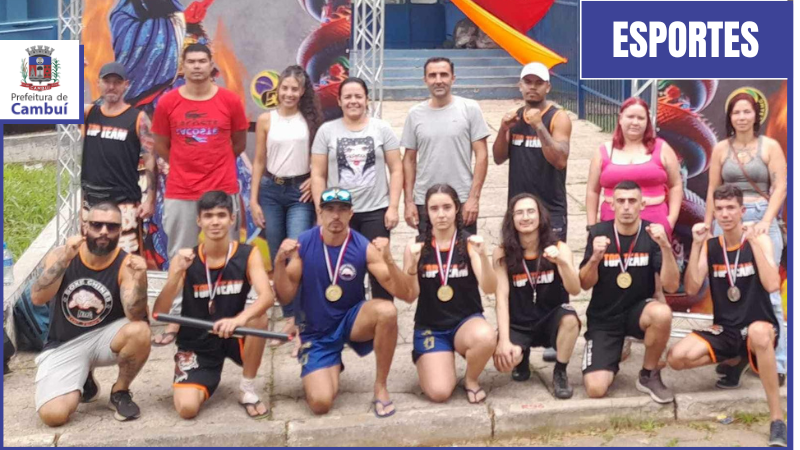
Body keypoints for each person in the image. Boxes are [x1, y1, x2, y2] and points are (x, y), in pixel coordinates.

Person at [272, 187, 415, 417]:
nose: (336, 216)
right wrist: (279, 262)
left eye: (342, 210)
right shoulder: (304, 244)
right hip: (316, 331)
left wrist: (389, 260)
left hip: (351, 321)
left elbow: (406, 294)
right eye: (329, 210)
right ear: (320, 212)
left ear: (351, 214)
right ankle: (331, 363)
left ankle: (381, 386)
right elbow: (285, 295)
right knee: (320, 404)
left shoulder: (362, 246)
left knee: (387, 311)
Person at [668, 185, 786, 447]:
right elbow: (690, 287)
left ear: (742, 211)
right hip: (726, 329)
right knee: (675, 358)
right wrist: (697, 245)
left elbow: (771, 285)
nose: (725, 214)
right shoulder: (711, 246)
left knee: (758, 333)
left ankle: (777, 419)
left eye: (731, 208)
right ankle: (736, 359)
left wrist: (755, 243)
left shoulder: (758, 240)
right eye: (719, 209)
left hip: (760, 327)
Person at [151, 42, 249, 346]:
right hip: (181, 191)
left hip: (221, 190)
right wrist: (186, 165)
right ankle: (178, 321)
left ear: (211, 66)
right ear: (183, 66)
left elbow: (239, 144)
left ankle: (230, 317)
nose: (196, 66)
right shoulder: (167, 103)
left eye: (202, 61)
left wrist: (214, 168)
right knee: (180, 256)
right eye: (191, 61)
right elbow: (161, 146)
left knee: (228, 257)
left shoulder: (230, 101)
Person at [152, 191, 274, 420]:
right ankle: (206, 375)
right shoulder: (185, 259)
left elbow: (267, 297)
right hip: (197, 342)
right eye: (208, 216)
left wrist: (238, 320)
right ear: (198, 221)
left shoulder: (248, 253)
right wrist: (176, 273)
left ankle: (247, 389)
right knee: (187, 409)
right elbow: (159, 311)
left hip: (232, 334)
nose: (215, 222)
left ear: (232, 219)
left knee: (259, 319)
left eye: (221, 215)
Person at [30, 203, 151, 426]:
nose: (104, 231)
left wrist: (141, 280)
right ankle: (84, 379)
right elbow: (38, 297)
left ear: (120, 230)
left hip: (106, 338)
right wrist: (65, 259)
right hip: (65, 343)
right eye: (97, 225)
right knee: (53, 416)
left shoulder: (127, 264)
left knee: (141, 331)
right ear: (84, 227)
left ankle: (120, 391)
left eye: (111, 226)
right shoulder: (61, 255)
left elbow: (134, 315)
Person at [703, 92, 788, 387]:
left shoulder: (770, 147)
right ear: (729, 117)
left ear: (756, 115)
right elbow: (714, 188)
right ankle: (735, 357)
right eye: (736, 112)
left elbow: (780, 187)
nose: (741, 117)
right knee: (728, 288)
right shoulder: (720, 149)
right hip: (728, 219)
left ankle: (778, 362)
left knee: (769, 291)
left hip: (762, 218)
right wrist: (707, 224)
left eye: (746, 111)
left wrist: (766, 222)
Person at [492, 61, 573, 364]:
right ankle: (521, 341)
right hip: (519, 209)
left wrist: (539, 126)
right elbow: (499, 158)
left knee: (556, 273)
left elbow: (560, 160)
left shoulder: (557, 117)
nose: (532, 87)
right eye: (527, 82)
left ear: (548, 87)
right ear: (520, 86)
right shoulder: (513, 118)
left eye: (538, 82)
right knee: (518, 275)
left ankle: (556, 337)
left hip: (550, 209)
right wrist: (503, 129)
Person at [578, 181, 679, 403]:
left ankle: (648, 374)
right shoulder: (598, 232)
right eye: (620, 201)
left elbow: (671, 285)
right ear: (611, 205)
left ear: (642, 204)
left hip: (638, 312)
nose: (626, 207)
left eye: (632, 201)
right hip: (604, 319)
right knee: (596, 389)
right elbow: (584, 285)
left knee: (662, 313)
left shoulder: (653, 234)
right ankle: (613, 350)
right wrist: (595, 258)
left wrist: (665, 247)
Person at [311, 77, 404, 305]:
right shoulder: (326, 131)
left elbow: (397, 168)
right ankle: (349, 319)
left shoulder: (381, 128)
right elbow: (318, 175)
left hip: (376, 212)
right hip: (339, 214)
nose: (353, 101)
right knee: (345, 269)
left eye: (358, 96)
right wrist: (321, 213)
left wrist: (393, 207)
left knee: (380, 271)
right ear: (340, 101)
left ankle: (383, 317)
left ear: (367, 100)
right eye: (348, 97)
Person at [402, 184, 497, 404]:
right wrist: (411, 267)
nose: (441, 214)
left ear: (457, 209)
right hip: (431, 327)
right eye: (434, 209)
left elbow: (490, 287)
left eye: (447, 207)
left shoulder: (470, 243)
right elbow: (409, 295)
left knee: (485, 336)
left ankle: (471, 380)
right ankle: (430, 358)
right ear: (427, 212)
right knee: (440, 392)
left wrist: (483, 257)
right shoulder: (415, 246)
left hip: (465, 322)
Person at [250, 65, 322, 345]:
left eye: (295, 89)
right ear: (277, 89)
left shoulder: (311, 120)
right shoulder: (266, 120)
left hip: (299, 196)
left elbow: (320, 157)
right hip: (270, 191)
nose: (289, 93)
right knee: (278, 257)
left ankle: (298, 319)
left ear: (302, 92)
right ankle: (288, 316)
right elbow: (258, 161)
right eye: (285, 88)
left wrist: (312, 180)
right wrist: (254, 199)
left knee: (295, 253)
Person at [492, 194, 581, 399]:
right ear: (511, 219)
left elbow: (575, 289)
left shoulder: (559, 248)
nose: (526, 217)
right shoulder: (502, 252)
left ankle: (560, 371)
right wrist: (503, 341)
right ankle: (522, 358)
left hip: (550, 319)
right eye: (519, 213)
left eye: (531, 211)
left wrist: (562, 263)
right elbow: (501, 298)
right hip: (519, 322)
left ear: (541, 216)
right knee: (504, 363)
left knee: (570, 319)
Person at [401, 57, 491, 235]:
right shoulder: (414, 114)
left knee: (466, 256)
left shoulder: (470, 109)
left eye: (444, 75)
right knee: (428, 259)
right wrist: (409, 202)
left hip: (462, 199)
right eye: (432, 75)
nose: (438, 80)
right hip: (425, 201)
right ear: (425, 80)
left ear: (453, 78)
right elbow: (409, 160)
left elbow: (482, 155)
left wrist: (474, 198)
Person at [82, 62, 157, 256]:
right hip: (92, 201)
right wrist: (74, 72)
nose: (111, 87)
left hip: (124, 202)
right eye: (107, 81)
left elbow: (150, 159)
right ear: (99, 83)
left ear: (126, 85)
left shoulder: (138, 118)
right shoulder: (89, 113)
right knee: (92, 254)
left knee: (127, 258)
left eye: (117, 82)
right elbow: (61, 103)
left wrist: (150, 198)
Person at [585, 97, 683, 238]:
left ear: (647, 122)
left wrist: (671, 220)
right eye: (630, 117)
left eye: (641, 118)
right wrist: (592, 227)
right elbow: (592, 191)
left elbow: (676, 185)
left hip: (655, 226)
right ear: (620, 118)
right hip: (612, 226)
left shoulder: (662, 149)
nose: (635, 122)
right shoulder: (603, 151)